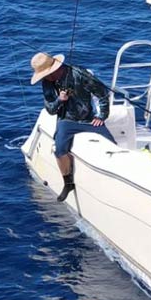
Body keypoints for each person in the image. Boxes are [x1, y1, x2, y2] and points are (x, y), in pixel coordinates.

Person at [30, 51, 115, 202]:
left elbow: (102, 93)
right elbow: (50, 109)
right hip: (66, 120)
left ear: (54, 70)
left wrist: (102, 116)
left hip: (88, 119)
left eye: (46, 74)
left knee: (113, 145)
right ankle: (68, 183)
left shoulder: (79, 74)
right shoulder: (47, 83)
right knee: (60, 149)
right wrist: (60, 100)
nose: (45, 78)